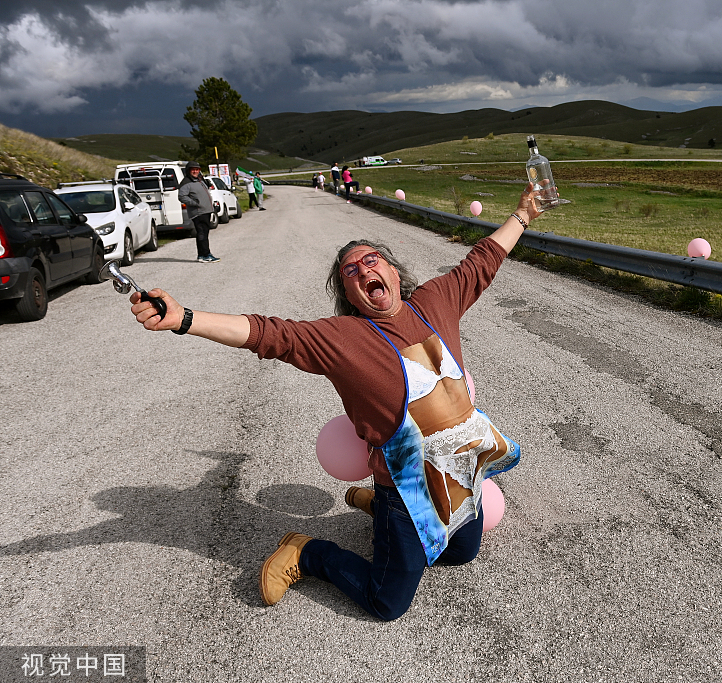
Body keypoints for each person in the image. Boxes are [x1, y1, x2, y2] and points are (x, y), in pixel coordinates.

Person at [128, 184, 547, 620]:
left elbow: (483, 259)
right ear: (350, 295)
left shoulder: (436, 301)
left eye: (371, 260)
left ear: (393, 271)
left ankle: (375, 516)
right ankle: (306, 551)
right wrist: (185, 319)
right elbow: (268, 334)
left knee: (460, 554)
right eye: (351, 272)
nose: (364, 270)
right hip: (409, 492)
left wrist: (523, 213)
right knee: (386, 603)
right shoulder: (342, 339)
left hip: (466, 468)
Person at [178, 161, 220, 263]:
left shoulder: (199, 180)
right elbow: (181, 196)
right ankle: (206, 254)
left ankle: (201, 255)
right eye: (193, 170)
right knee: (202, 233)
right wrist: (194, 203)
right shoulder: (186, 182)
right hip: (198, 212)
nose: (195, 171)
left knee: (203, 233)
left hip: (205, 211)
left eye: (197, 169)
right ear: (188, 171)